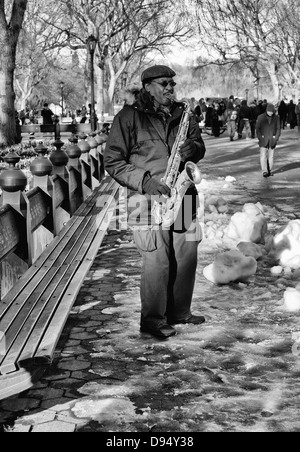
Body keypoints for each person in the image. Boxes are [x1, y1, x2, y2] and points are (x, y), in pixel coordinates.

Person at [104, 64, 206, 339]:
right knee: (156, 259)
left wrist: (193, 148)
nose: (170, 88)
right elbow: (112, 162)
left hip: (182, 194)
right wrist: (146, 181)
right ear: (148, 86)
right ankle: (152, 320)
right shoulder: (128, 117)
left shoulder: (184, 112)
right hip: (144, 197)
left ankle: (180, 312)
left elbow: (200, 145)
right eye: (164, 83)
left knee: (187, 253)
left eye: (172, 83)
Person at [256, 103, 281, 178]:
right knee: (263, 155)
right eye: (269, 111)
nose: (270, 113)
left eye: (272, 112)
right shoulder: (260, 117)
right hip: (263, 139)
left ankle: (269, 170)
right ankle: (264, 171)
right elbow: (257, 129)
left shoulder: (276, 118)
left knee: (271, 156)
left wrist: (276, 138)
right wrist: (260, 138)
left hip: (272, 140)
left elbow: (278, 129)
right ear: (266, 111)